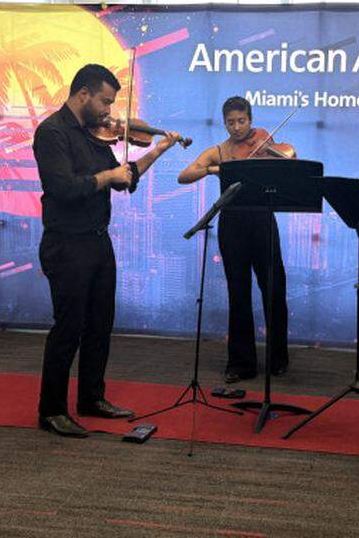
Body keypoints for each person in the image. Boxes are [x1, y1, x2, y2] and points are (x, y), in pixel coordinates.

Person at [34, 63, 183, 438]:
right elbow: (64, 187)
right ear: (82, 93)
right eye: (104, 101)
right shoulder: (51, 133)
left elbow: (124, 179)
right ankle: (51, 410)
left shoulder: (93, 135)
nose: (109, 111)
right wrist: (107, 176)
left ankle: (91, 398)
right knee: (69, 328)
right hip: (66, 244)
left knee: (100, 324)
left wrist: (158, 151)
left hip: (97, 241)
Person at [178, 96, 290, 384]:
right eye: (231, 122)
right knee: (238, 294)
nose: (237, 127)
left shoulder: (264, 141)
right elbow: (185, 175)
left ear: (250, 120)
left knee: (273, 290)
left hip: (263, 221)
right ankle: (241, 363)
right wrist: (218, 169)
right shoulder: (220, 151)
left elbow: (290, 158)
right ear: (224, 122)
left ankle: (278, 359)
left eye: (242, 121)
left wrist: (273, 154)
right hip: (233, 226)